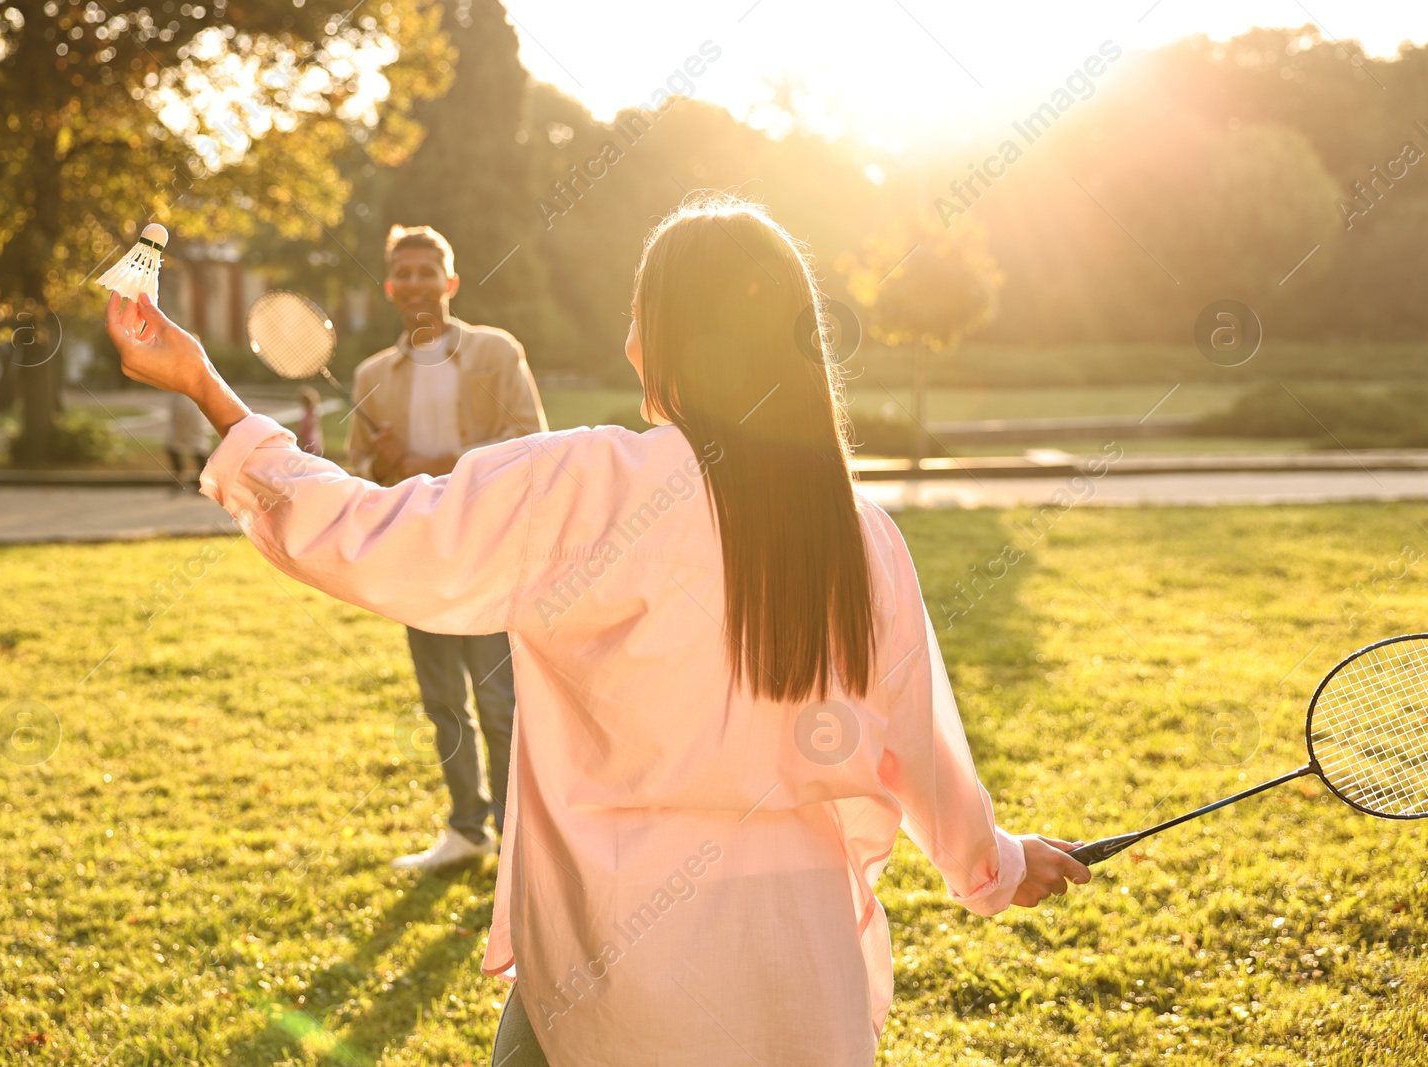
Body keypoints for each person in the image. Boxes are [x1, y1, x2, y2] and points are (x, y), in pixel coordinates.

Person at [104, 194, 1090, 1067]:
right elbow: (915, 751)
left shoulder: (585, 482)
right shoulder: (859, 531)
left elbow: (367, 534)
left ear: (657, 337)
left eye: (636, 312)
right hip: (800, 971)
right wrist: (995, 864)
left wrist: (205, 385)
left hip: (615, 961)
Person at [346, 224, 546, 872]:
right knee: (442, 702)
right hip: (419, 559)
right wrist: (380, 467)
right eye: (402, 273)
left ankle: (520, 837)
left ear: (451, 282)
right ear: (389, 287)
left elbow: (527, 442)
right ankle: (467, 829)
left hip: (487, 552)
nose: (415, 283)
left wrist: (431, 462)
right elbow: (361, 480)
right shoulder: (372, 374)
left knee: (499, 701)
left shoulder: (495, 352)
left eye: (427, 271)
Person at [164, 389, 213, 484]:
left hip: (193, 414)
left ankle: (204, 481)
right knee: (175, 447)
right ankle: (182, 478)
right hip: (187, 415)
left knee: (198, 448)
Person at [296, 386, 324, 456]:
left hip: (309, 441)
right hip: (314, 440)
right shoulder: (312, 413)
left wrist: (298, 436)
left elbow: (305, 428)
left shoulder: (310, 414)